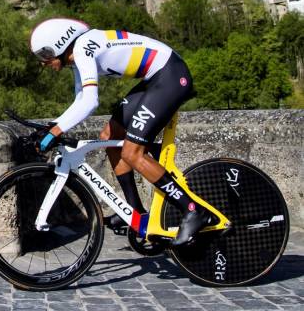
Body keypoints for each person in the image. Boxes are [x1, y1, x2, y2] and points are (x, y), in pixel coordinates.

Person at [29, 17, 211, 246]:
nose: (43, 62)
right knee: (109, 137)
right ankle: (135, 211)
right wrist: (52, 126)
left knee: (132, 153)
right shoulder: (79, 54)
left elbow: (91, 102)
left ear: (60, 43)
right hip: (156, 78)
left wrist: (55, 130)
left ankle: (193, 210)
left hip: (170, 75)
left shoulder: (83, 49)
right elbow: (81, 100)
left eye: (45, 54)